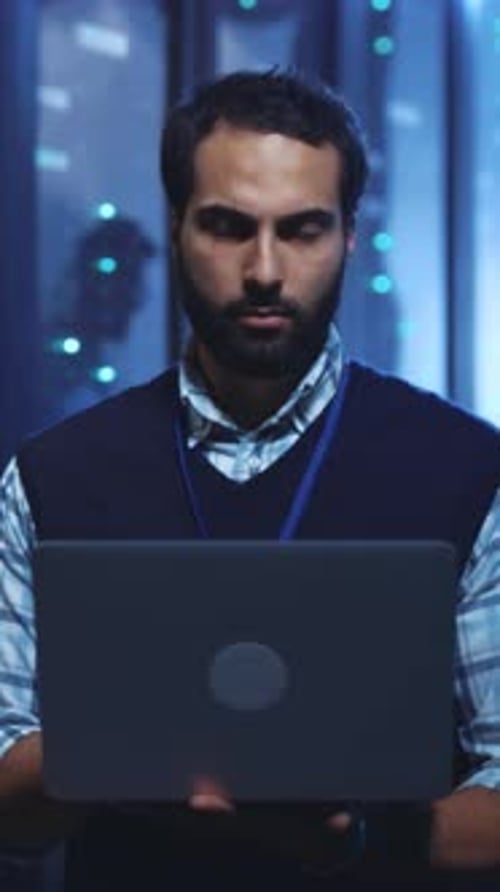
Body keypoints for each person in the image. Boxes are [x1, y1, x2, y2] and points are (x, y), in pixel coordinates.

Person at [0, 68, 499, 889]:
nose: (265, 270)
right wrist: (124, 746)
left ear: (348, 234)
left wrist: (364, 838)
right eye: (229, 227)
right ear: (177, 227)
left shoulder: (473, 474)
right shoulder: (51, 478)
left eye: (302, 230)